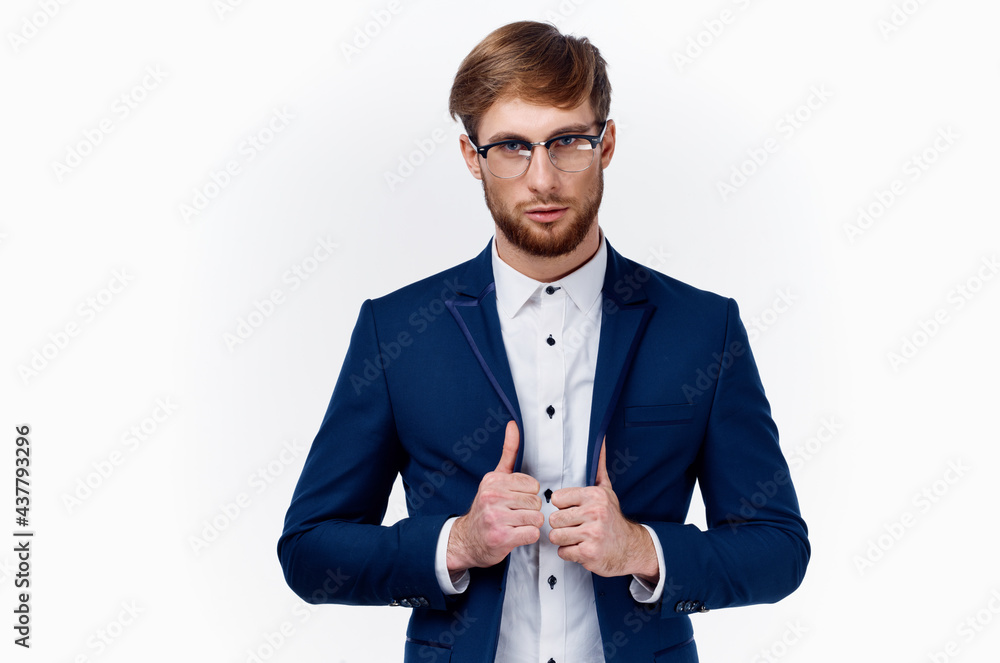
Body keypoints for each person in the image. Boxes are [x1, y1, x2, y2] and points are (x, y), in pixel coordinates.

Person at [278, 20, 809, 663]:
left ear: (606, 143)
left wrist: (642, 549)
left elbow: (778, 549)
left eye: (568, 141)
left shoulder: (702, 327)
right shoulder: (396, 331)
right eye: (510, 146)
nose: (543, 179)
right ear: (472, 157)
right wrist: (456, 543)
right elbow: (309, 549)